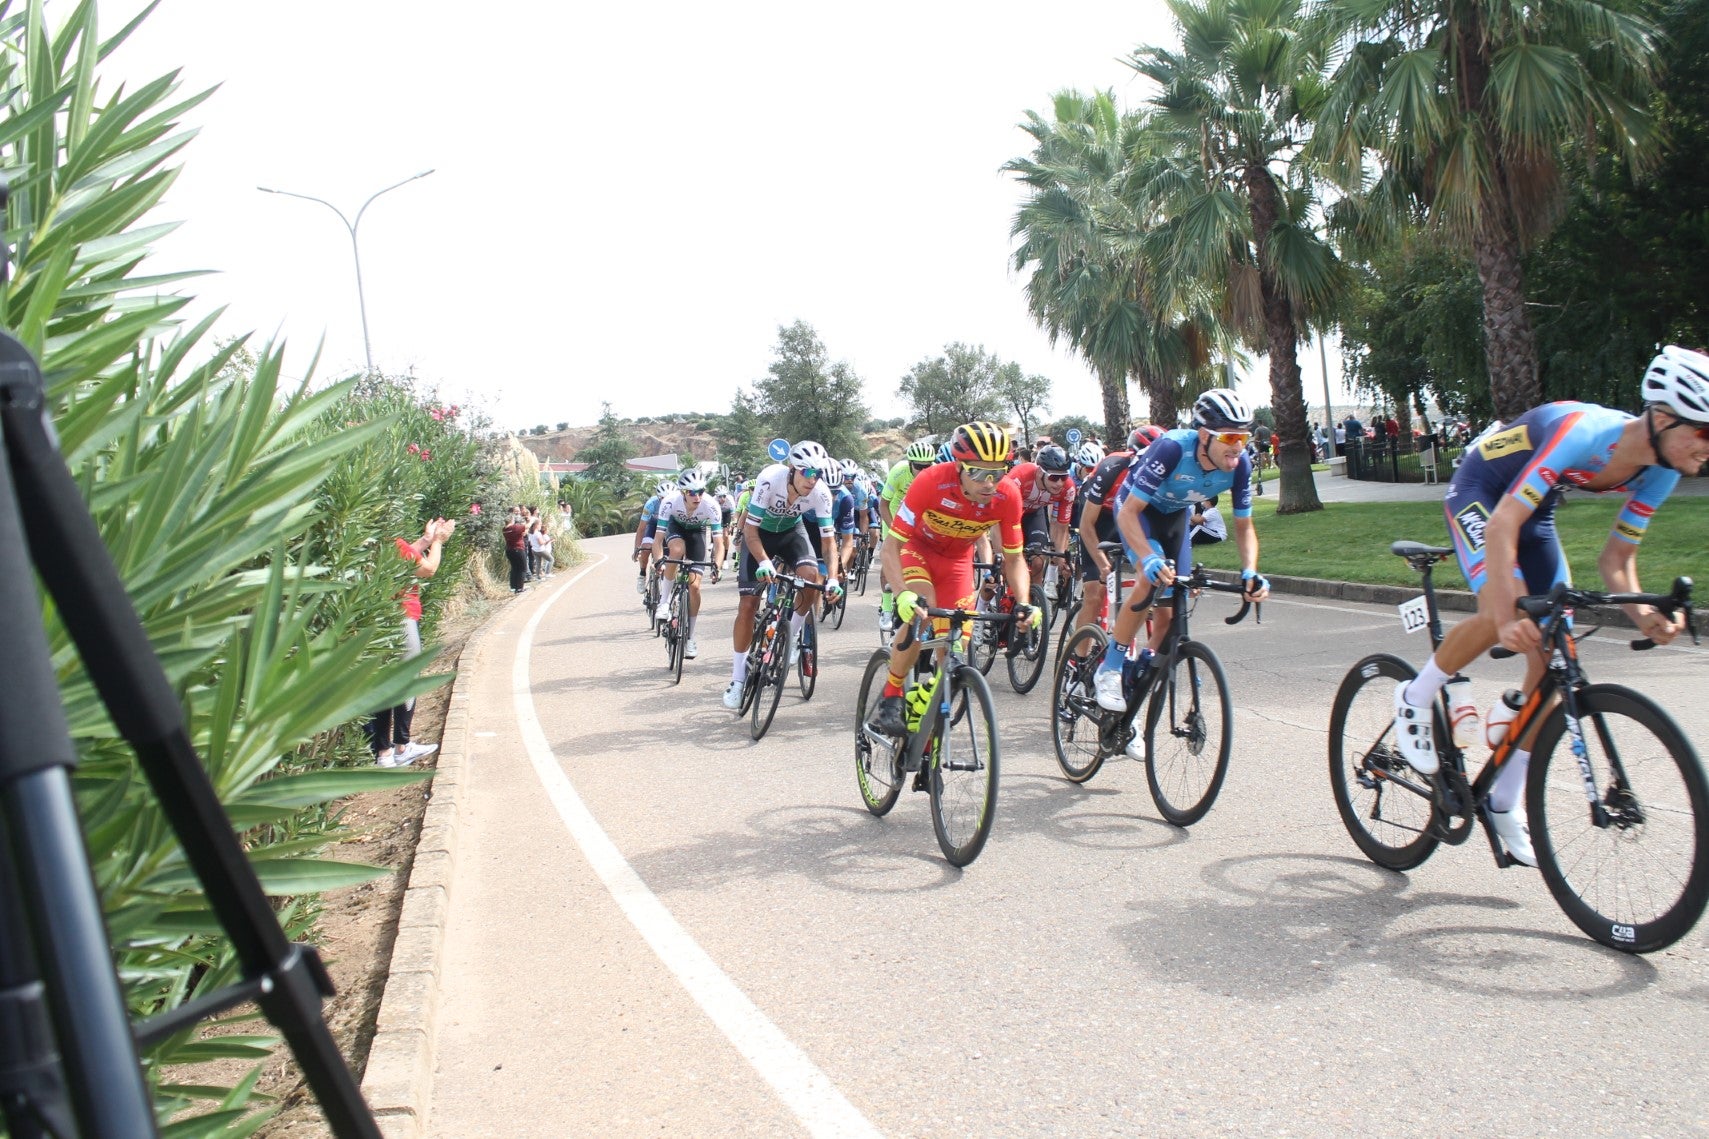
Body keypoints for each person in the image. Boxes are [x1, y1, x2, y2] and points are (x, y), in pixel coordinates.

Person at [1388, 346, 1709, 867]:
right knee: (1502, 614)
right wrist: (1508, 609)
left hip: (1533, 513)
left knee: (1552, 646)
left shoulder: (1662, 470)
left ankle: (1502, 801)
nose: (1707, 449)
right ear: (1665, 418)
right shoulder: (1583, 433)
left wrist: (1647, 616)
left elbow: (1617, 558)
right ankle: (1415, 694)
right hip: (1482, 495)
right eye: (1705, 433)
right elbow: (1499, 525)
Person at [1091, 390, 1270, 735]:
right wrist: (1148, 556)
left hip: (1175, 518)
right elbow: (1128, 513)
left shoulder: (1240, 464)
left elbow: (1244, 526)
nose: (1239, 447)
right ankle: (1110, 668)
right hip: (1137, 512)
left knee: (1174, 608)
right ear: (1204, 436)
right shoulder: (1173, 448)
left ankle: (1143, 669)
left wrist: (1251, 570)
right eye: (1230, 437)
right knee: (1150, 576)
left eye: (1244, 438)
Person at [866, 422, 1038, 736]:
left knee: (955, 649)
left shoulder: (1008, 494)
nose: (989, 483)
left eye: (997, 473)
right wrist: (902, 593)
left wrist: (1024, 602)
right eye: (977, 473)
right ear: (959, 466)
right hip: (917, 551)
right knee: (923, 611)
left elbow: (1014, 557)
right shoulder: (931, 481)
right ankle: (892, 695)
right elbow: (892, 546)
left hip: (956, 562)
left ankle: (928, 714)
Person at [721, 442, 842, 709]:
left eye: (818, 474)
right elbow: (750, 532)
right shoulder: (768, 480)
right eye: (807, 473)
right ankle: (738, 680)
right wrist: (763, 561)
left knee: (812, 577)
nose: (813, 480)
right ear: (792, 469)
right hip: (760, 536)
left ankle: (794, 635)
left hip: (791, 534)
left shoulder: (820, 493)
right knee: (748, 605)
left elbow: (829, 542)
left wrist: (833, 577)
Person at [368, 517, 455, 767]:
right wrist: (438, 542)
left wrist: (426, 540)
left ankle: (383, 752)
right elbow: (427, 569)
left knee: (383, 681)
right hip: (401, 617)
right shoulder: (392, 543)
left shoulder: (373, 545)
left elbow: (405, 562)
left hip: (380, 618)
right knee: (408, 680)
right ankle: (401, 747)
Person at [649, 468, 723, 660]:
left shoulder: (711, 505)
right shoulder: (669, 502)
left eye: (700, 491)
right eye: (692, 492)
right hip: (675, 528)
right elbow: (657, 541)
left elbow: (719, 543)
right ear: (683, 493)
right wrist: (658, 561)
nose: (697, 496)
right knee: (676, 550)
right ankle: (664, 603)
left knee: (695, 586)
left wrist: (718, 566)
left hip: (697, 533)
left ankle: (690, 637)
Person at [874, 440, 938, 634]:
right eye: (918, 467)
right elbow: (883, 504)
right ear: (910, 464)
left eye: (927, 466)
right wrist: (894, 530)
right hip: (895, 516)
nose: (923, 470)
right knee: (890, 561)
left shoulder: (935, 474)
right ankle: (886, 608)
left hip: (920, 519)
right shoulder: (899, 472)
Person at [631, 480, 672, 594]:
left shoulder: (678, 504)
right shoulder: (651, 504)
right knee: (646, 548)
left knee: (671, 555)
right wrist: (637, 549)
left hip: (668, 529)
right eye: (662, 499)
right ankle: (642, 574)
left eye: (668, 499)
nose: (665, 502)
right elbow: (641, 529)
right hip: (653, 526)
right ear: (658, 497)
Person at [502, 510, 529, 594]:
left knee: (514, 568)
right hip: (518, 549)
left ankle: (513, 587)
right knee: (522, 568)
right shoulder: (514, 527)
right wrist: (530, 520)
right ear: (511, 520)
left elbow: (521, 534)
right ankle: (520, 588)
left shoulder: (505, 529)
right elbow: (527, 526)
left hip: (509, 550)